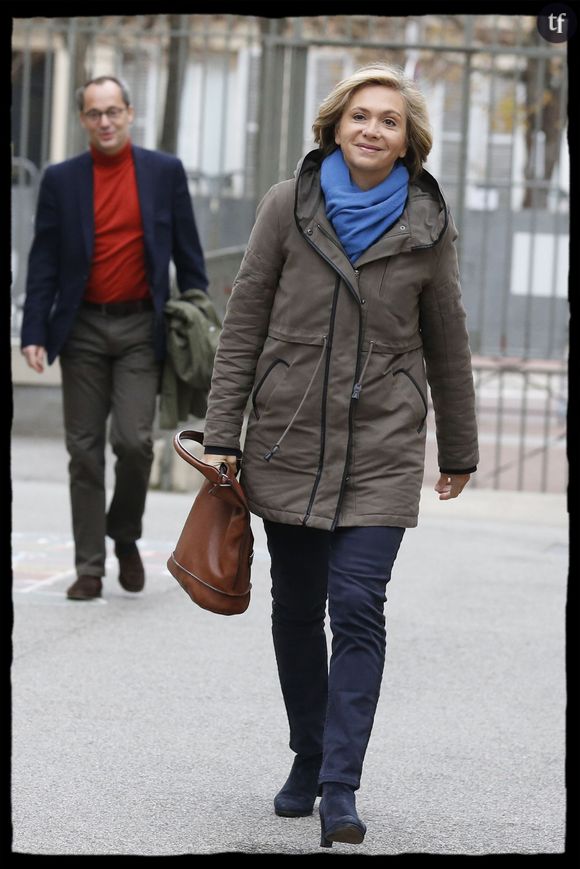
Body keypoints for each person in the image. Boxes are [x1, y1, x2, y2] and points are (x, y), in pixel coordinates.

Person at [201, 62, 479, 848]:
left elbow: (447, 340)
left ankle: (340, 785)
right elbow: (244, 323)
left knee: (357, 605)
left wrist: (457, 446)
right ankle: (308, 749)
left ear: (407, 142)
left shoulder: (427, 222)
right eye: (361, 115)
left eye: (389, 121)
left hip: (384, 444)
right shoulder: (288, 206)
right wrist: (224, 436)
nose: (372, 129)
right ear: (334, 124)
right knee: (295, 608)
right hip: (289, 436)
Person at [20, 75, 208, 601]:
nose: (104, 121)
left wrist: (200, 316)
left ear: (129, 113)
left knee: (132, 442)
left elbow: (189, 254)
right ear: (83, 120)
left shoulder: (162, 173)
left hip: (138, 328)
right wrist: (34, 329)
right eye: (94, 113)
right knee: (83, 451)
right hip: (79, 327)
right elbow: (44, 262)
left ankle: (124, 535)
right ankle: (89, 565)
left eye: (113, 111)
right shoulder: (62, 180)